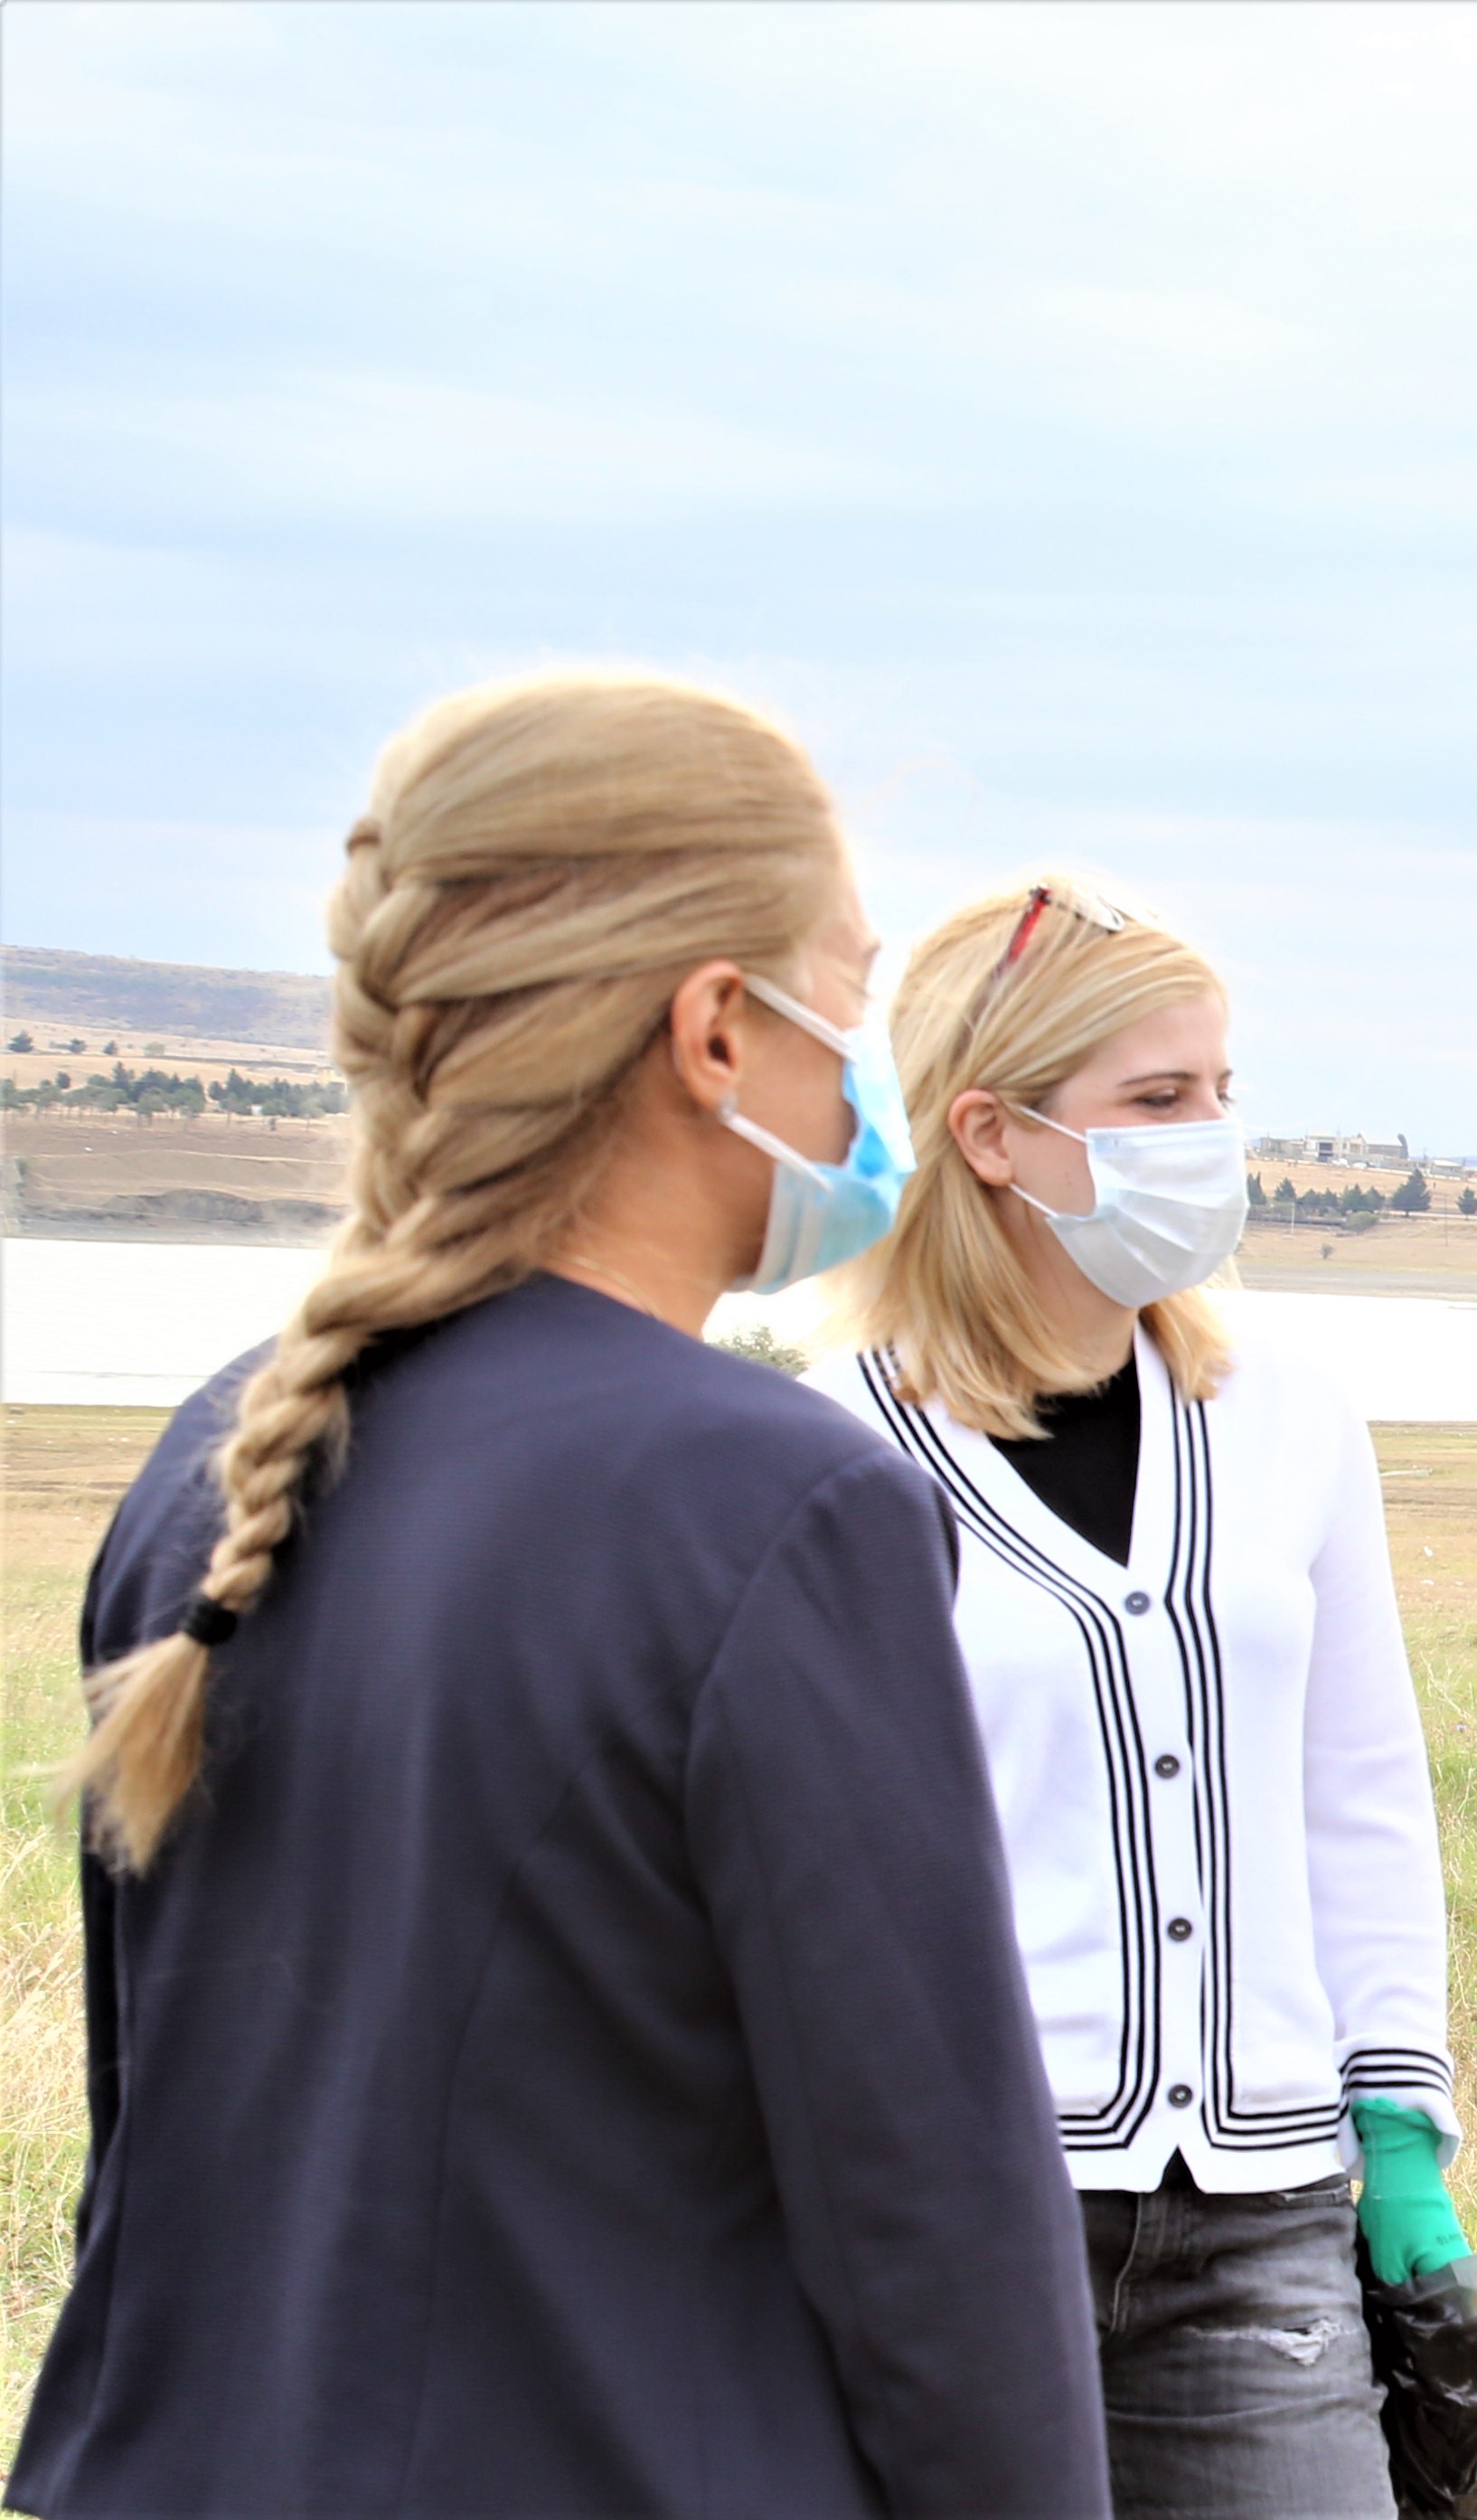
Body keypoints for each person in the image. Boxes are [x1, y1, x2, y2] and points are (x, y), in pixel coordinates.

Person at [9, 674, 1105, 2515]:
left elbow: (165, 2149)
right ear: (710, 1033)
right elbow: (937, 2236)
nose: (867, 1085)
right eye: (846, 1003)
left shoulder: (215, 1460)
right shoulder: (777, 1503)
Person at [817, 876, 1463, 2520]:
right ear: (992, 1135)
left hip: (1261, 2220)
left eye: (1222, 1092)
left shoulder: (1291, 1423)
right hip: (957, 2212)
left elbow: (1360, 1789)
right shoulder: (828, 1459)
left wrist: (1397, 2131)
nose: (1213, 1136)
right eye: (1159, 1099)